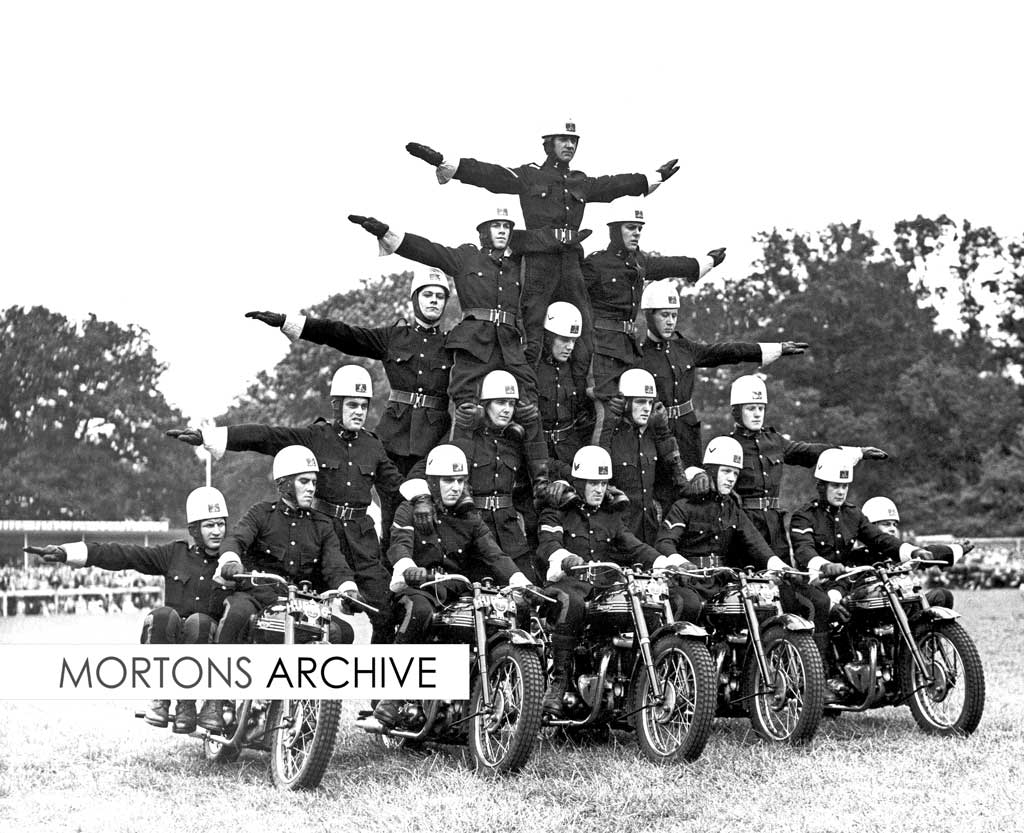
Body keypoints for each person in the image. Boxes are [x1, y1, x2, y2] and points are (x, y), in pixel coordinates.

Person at [404, 119, 681, 374]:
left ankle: (581, 393)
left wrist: (652, 177)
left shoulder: (580, 182)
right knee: (532, 330)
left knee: (584, 330)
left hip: (571, 262)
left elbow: (613, 185)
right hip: (539, 262)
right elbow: (491, 175)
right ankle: (527, 391)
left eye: (574, 141)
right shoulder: (530, 176)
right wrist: (447, 163)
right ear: (549, 143)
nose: (570, 145)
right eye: (563, 139)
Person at [167, 365, 402, 644]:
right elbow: (268, 436)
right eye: (352, 404)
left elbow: (395, 488)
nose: (359, 412)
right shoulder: (316, 437)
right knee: (307, 614)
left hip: (361, 541)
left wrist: (423, 499)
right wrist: (212, 436)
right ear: (336, 406)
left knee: (385, 610)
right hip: (318, 534)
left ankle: (385, 682)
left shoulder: (373, 446)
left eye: (364, 406)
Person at [244, 268, 454, 549]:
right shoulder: (394, 337)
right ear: (415, 299)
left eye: (440, 296)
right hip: (391, 441)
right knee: (392, 515)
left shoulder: (452, 344)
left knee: (429, 514)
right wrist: (290, 323)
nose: (433, 301)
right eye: (427, 294)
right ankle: (389, 577)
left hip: (431, 445)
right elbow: (343, 334)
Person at [24, 487, 233, 734]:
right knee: (162, 615)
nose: (217, 531)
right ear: (195, 529)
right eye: (210, 525)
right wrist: (70, 553)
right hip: (171, 642)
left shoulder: (233, 561)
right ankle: (162, 695)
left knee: (200, 622)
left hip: (210, 648)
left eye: (221, 524)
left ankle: (194, 703)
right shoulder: (174, 554)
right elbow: (126, 554)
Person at [373, 443, 532, 728]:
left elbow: (495, 554)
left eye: (460, 481)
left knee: (490, 616)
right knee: (420, 611)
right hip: (417, 589)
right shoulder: (409, 510)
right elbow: (399, 545)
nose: (455, 487)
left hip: (455, 591)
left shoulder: (471, 518)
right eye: (448, 480)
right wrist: (408, 569)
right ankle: (392, 694)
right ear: (433, 482)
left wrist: (520, 582)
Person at [348, 207, 540, 433]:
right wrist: (388, 234)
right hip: (476, 346)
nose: (502, 231)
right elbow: (429, 251)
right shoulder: (467, 258)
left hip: (510, 347)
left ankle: (538, 468)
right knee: (467, 412)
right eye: (495, 226)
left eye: (506, 226)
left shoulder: (519, 265)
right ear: (483, 231)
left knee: (530, 408)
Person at [789, 449, 931, 698]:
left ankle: (888, 667)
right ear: (821, 486)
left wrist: (912, 551)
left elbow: (881, 540)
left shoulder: (852, 515)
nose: (841, 491)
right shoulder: (804, 516)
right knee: (824, 603)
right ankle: (823, 679)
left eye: (844, 485)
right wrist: (823, 565)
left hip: (844, 582)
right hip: (811, 583)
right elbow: (803, 551)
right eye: (835, 485)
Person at [537, 445, 665, 716]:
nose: (599, 489)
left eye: (604, 483)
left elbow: (635, 547)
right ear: (580, 482)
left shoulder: (611, 516)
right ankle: (558, 682)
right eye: (593, 483)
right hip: (565, 585)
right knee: (571, 603)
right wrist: (565, 557)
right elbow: (548, 543)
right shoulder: (558, 510)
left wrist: (666, 563)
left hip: (602, 589)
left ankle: (637, 684)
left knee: (644, 605)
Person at [639, 281, 809, 477]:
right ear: (649, 315)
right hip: (655, 435)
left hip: (688, 434)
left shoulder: (684, 349)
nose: (670, 321)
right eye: (664, 315)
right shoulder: (638, 356)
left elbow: (726, 351)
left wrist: (775, 349)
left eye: (674, 315)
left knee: (694, 486)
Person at [583, 202, 726, 428]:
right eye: (631, 227)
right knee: (608, 415)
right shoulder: (595, 264)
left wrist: (706, 262)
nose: (637, 233)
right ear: (615, 229)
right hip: (602, 351)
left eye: (640, 228)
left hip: (630, 351)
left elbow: (671, 265)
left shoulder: (639, 262)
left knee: (635, 416)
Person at [405, 370, 555, 583]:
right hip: (472, 533)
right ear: (484, 405)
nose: (507, 410)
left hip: (510, 534)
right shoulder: (463, 437)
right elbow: (422, 471)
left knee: (529, 590)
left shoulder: (515, 441)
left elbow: (541, 470)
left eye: (511, 404)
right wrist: (422, 498)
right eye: (500, 403)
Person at [727, 374, 888, 562]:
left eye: (761, 408)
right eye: (751, 408)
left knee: (785, 581)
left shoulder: (774, 441)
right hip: (745, 524)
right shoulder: (729, 445)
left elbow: (807, 451)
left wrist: (857, 452)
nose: (757, 414)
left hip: (774, 525)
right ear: (738, 412)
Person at [654, 437, 801, 627]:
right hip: (689, 582)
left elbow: (756, 543)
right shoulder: (685, 505)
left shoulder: (732, 508)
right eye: (725, 471)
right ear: (712, 471)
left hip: (720, 582)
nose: (731, 478)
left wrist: (780, 566)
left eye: (735, 473)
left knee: (751, 606)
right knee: (690, 606)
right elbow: (664, 542)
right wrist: (681, 564)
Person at [598, 368, 685, 544]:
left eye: (650, 402)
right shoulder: (611, 434)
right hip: (619, 532)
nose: (647, 408)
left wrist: (664, 432)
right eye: (640, 402)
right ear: (625, 403)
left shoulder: (654, 436)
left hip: (650, 530)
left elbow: (675, 475)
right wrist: (609, 421)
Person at [859, 496, 973, 608]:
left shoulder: (900, 552)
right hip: (878, 613)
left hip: (906, 609)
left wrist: (957, 549)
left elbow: (927, 554)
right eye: (886, 524)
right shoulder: (857, 556)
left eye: (894, 524)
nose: (893, 528)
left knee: (942, 596)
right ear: (870, 528)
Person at [536, 302, 594, 475]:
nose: (570, 347)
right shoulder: (533, 370)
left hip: (570, 450)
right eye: (564, 339)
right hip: (539, 453)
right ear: (549, 337)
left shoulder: (575, 371)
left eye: (574, 340)